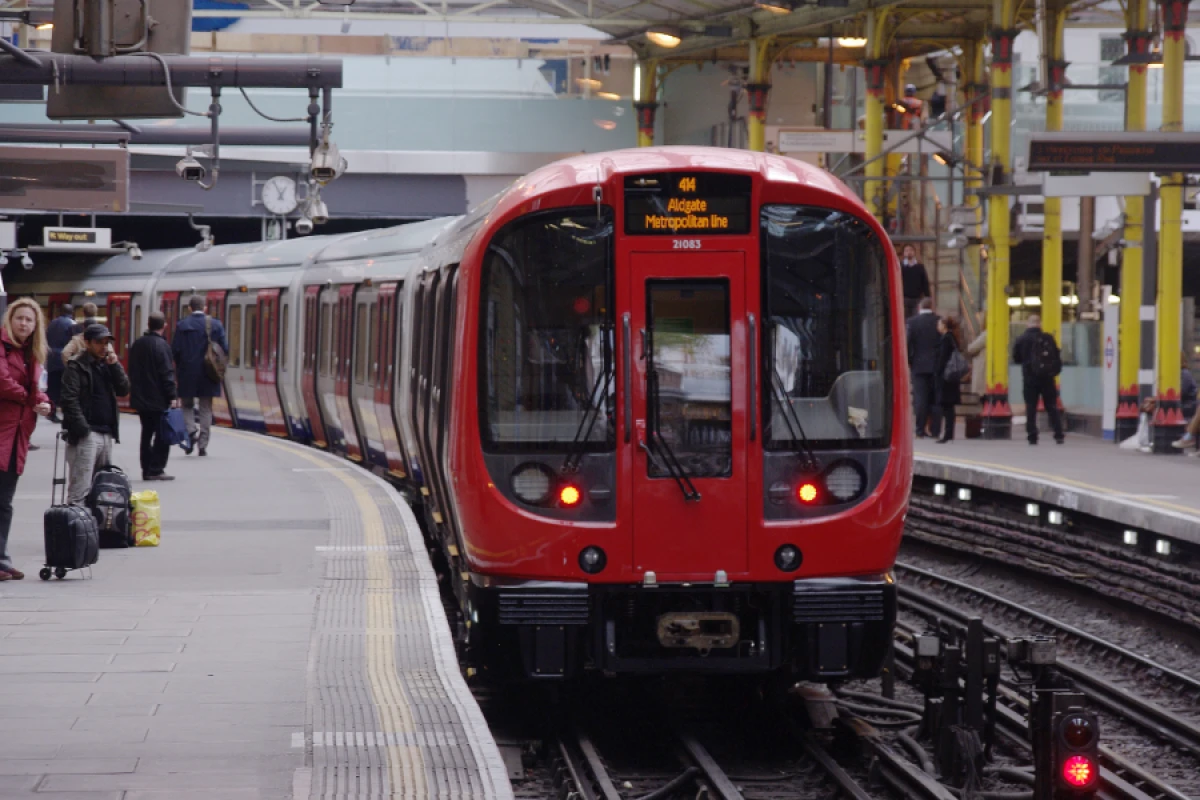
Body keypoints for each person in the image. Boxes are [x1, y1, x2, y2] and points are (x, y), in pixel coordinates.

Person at [0, 299, 53, 580]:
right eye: (19, 318)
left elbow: (35, 388)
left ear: (35, 326)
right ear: (10, 320)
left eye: (29, 320)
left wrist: (43, 402)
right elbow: (3, 382)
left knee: (5, 501)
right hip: (3, 430)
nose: (23, 323)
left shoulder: (32, 354)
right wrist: (31, 400)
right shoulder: (2, 347)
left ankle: (2, 559)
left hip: (17, 435)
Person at [60, 324, 131, 504]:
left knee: (101, 490)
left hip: (106, 433)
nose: (104, 347)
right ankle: (76, 521)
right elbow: (69, 400)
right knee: (80, 491)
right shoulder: (76, 366)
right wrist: (84, 430)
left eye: (106, 343)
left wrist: (115, 365)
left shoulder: (107, 364)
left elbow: (124, 389)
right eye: (99, 342)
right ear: (87, 343)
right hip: (87, 435)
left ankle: (94, 522)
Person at [172, 295, 228, 457]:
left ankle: (191, 432)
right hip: (209, 372)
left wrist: (180, 367)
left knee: (186, 406)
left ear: (190, 308)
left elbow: (175, 350)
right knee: (205, 408)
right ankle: (203, 445)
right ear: (204, 308)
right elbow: (224, 348)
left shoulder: (182, 325)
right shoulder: (216, 325)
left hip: (187, 372)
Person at [129, 312, 179, 481]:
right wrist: (172, 395)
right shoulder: (162, 346)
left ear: (148, 325)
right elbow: (167, 373)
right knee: (162, 434)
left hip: (141, 398)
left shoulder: (137, 344)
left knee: (146, 433)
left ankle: (146, 468)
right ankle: (156, 468)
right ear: (164, 326)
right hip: (158, 398)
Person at [1012, 315, 1064, 446]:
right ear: (1039, 324)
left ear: (1027, 324)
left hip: (1029, 378)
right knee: (1051, 406)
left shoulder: (1022, 339)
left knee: (1031, 407)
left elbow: (1016, 358)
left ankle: (1032, 436)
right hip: (1047, 377)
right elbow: (1056, 356)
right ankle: (1058, 434)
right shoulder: (1048, 338)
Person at [907, 297, 942, 439]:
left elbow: (908, 343)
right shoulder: (939, 321)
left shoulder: (912, 322)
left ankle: (920, 430)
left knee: (920, 399)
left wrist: (910, 361)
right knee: (936, 399)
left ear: (919, 307)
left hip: (918, 366)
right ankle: (935, 431)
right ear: (932, 307)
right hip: (937, 366)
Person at [934, 316, 965, 443]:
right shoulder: (952, 338)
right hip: (951, 377)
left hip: (946, 377)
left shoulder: (946, 339)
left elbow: (942, 358)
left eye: (939, 324)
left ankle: (947, 434)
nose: (937, 326)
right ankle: (949, 433)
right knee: (949, 407)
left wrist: (937, 372)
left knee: (947, 407)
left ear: (944, 326)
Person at [45, 304, 75, 422]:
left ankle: (51, 412)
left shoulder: (52, 323)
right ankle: (65, 413)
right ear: (72, 312)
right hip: (64, 359)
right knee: (65, 388)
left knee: (52, 387)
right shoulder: (71, 324)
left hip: (52, 358)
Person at [900, 245, 931, 320]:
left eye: (911, 250)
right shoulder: (900, 267)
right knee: (904, 319)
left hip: (917, 299)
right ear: (903, 253)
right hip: (904, 298)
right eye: (906, 251)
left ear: (914, 252)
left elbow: (925, 282)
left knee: (916, 318)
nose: (909, 252)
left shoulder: (920, 267)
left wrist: (928, 296)